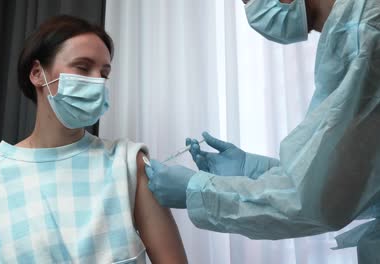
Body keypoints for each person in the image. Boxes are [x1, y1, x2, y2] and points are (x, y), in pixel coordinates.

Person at [0, 15, 187, 263]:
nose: (98, 82)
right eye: (83, 68)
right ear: (36, 73)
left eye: (104, 73)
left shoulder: (128, 163)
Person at [145, 0, 380, 262]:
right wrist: (252, 170)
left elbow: (314, 202)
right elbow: (353, 182)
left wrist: (197, 190)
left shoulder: (367, 33)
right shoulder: (353, 33)